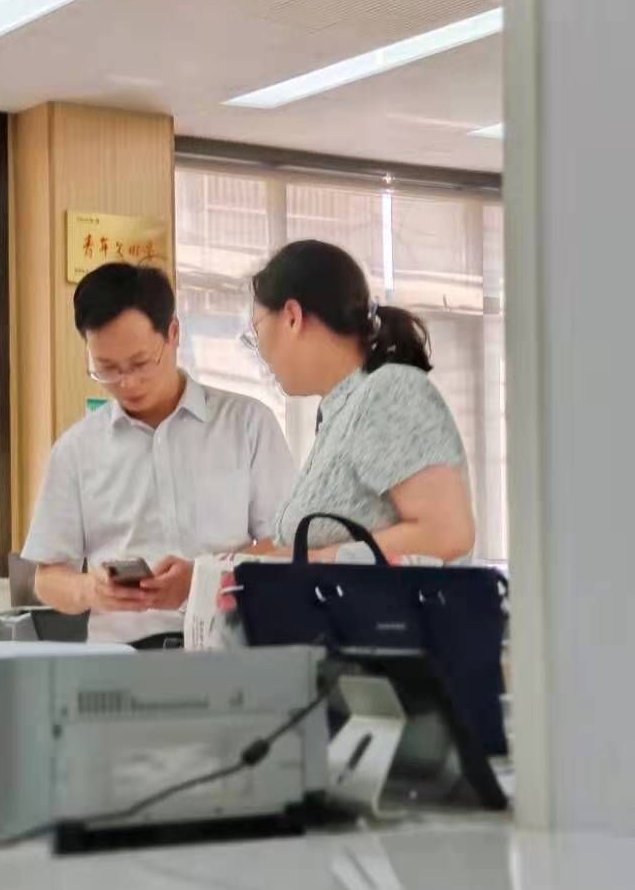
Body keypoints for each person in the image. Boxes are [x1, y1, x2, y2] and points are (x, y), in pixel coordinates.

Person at [23, 262, 296, 645]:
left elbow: (288, 545)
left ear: (173, 333)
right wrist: (90, 590)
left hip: (229, 650)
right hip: (121, 659)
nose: (127, 382)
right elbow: (47, 578)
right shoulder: (77, 449)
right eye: (106, 368)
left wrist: (206, 577)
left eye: (140, 363)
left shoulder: (247, 424)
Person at [244, 238, 475, 562]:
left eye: (257, 330)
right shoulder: (341, 411)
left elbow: (447, 532)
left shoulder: (388, 392)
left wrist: (318, 563)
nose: (259, 350)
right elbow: (298, 551)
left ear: (292, 316)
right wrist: (208, 570)